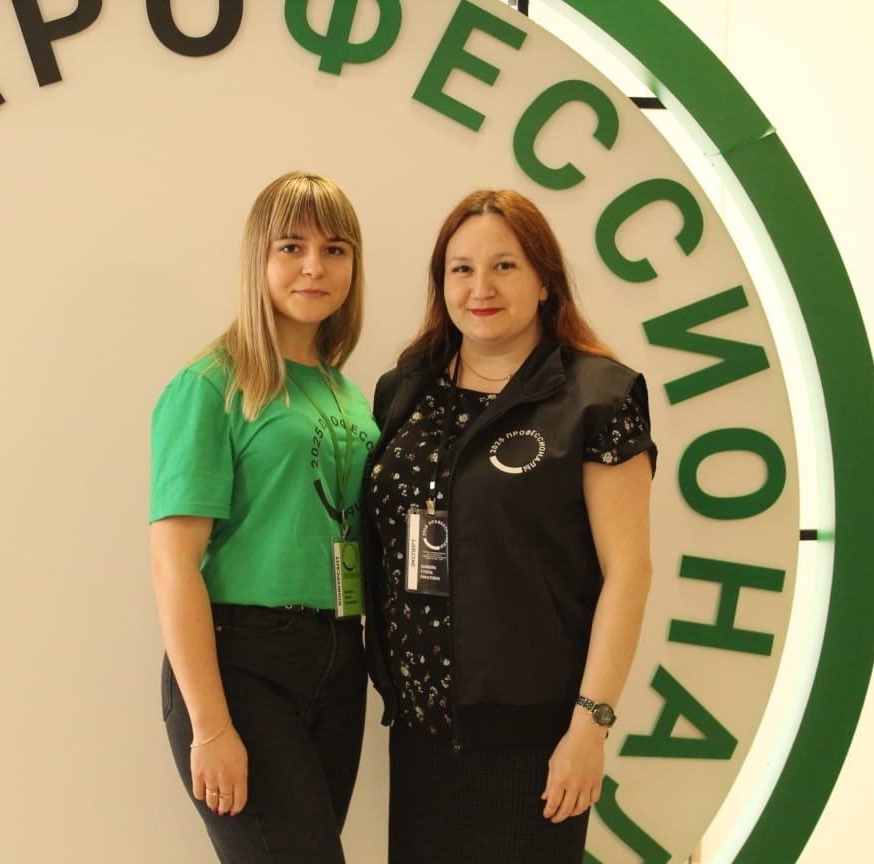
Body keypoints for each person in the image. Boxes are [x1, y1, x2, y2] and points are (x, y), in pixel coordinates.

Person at [363, 189, 656, 863]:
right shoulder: (404, 390)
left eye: (504, 266)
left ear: (545, 280)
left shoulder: (598, 397)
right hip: (420, 736)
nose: (481, 288)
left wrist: (590, 726)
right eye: (461, 269)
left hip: (538, 741)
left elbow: (629, 572)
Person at [149, 171, 378, 864]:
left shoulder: (346, 392)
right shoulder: (211, 383)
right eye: (291, 247)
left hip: (339, 654)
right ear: (259, 259)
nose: (314, 266)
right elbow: (173, 562)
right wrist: (210, 725)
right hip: (242, 662)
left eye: (335, 250)